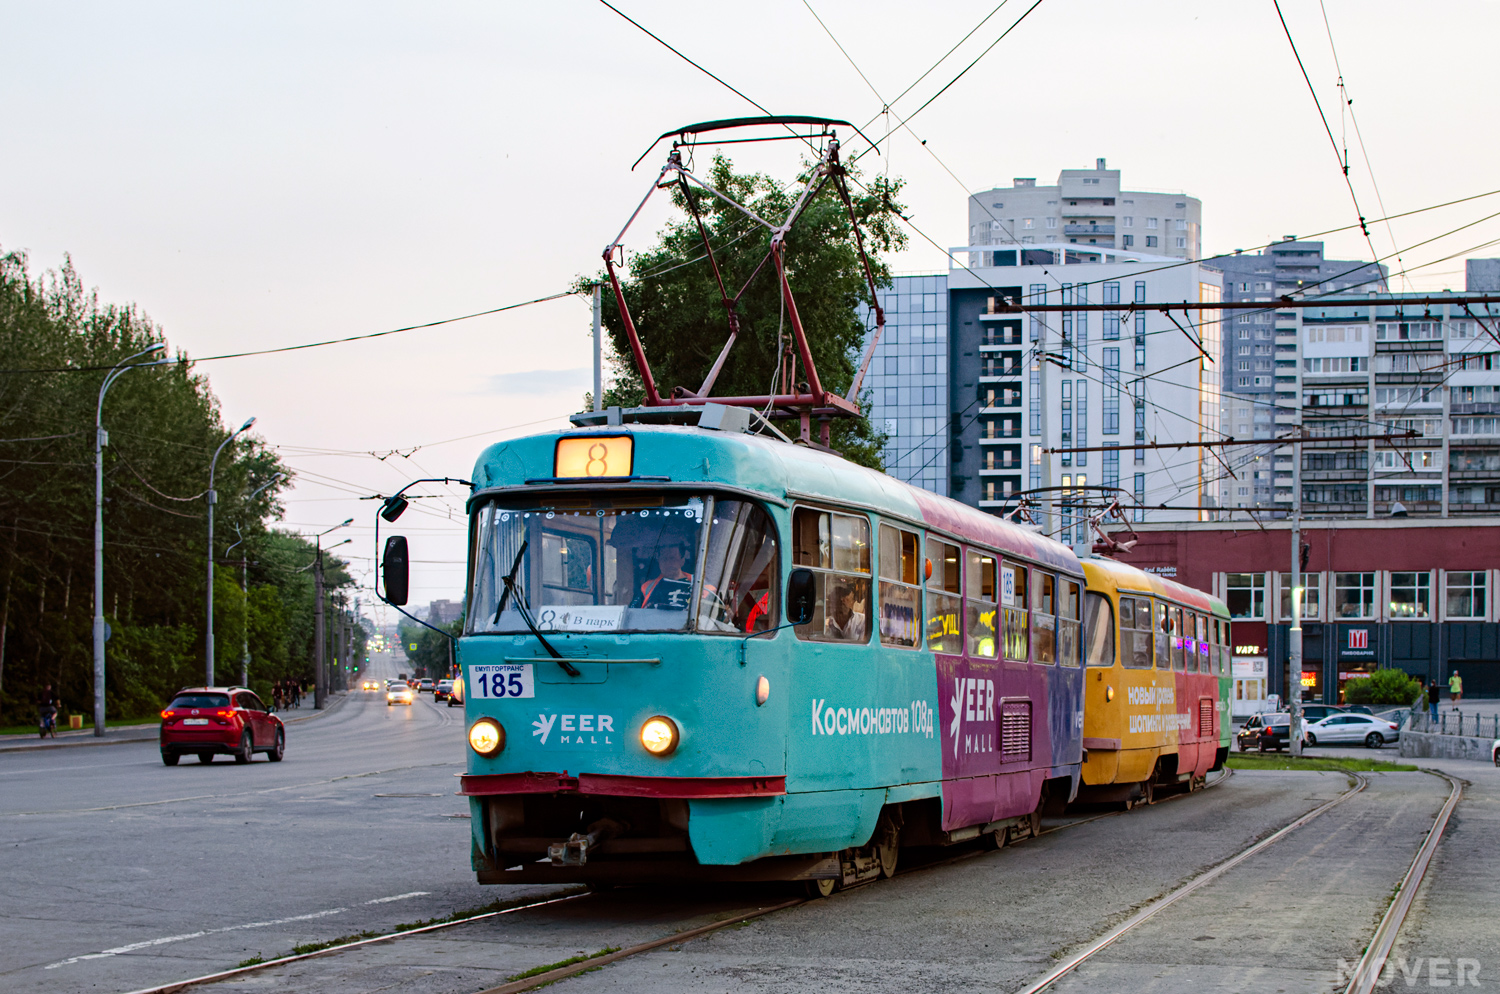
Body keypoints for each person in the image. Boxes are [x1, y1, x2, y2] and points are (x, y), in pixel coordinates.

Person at [632, 541, 694, 611]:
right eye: (664, 558)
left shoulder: (697, 585)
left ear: (682, 561)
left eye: (672, 558)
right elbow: (634, 611)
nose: (668, 563)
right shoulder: (646, 588)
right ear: (659, 561)